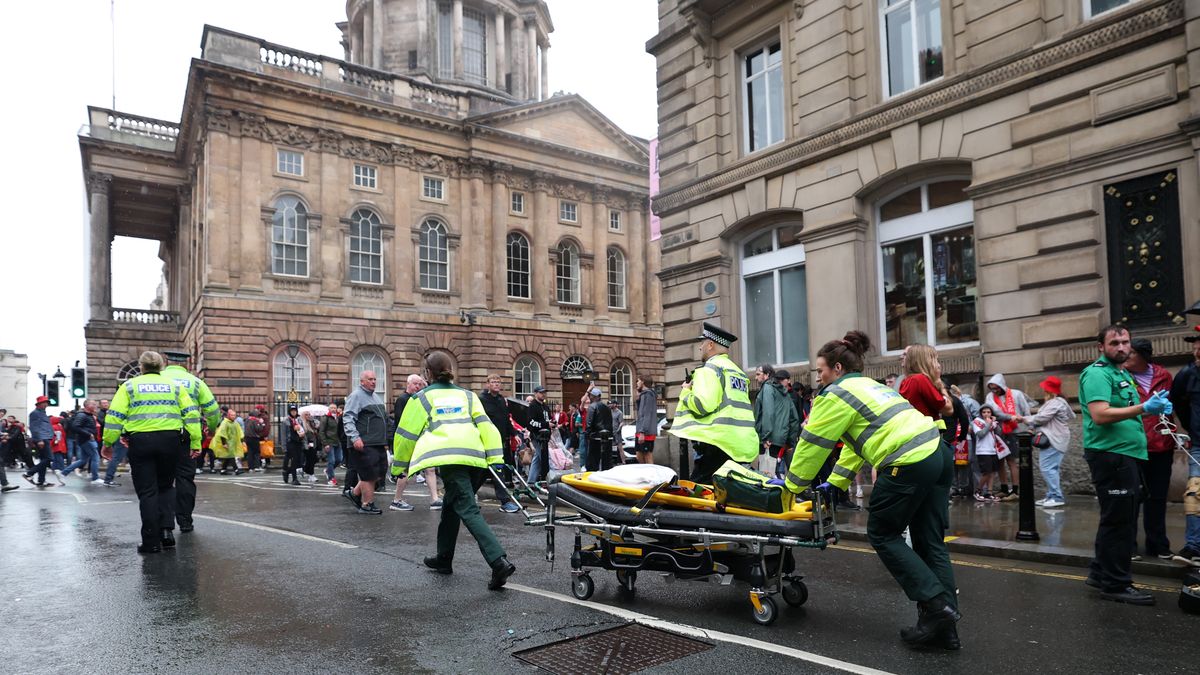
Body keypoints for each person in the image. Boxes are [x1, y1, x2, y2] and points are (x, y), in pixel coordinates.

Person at [783, 330, 959, 649]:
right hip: (936, 452)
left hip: (908, 460)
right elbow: (855, 445)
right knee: (930, 542)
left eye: (821, 370)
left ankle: (935, 605)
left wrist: (790, 488)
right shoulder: (870, 386)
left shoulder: (834, 394)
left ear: (837, 368)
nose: (818, 377)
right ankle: (945, 630)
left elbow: (813, 446)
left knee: (882, 533)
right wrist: (836, 482)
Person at [392, 351, 516, 590]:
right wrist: (495, 460)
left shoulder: (420, 399)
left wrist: (398, 467)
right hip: (477, 460)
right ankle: (444, 559)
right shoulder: (468, 396)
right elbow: (487, 427)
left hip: (452, 460)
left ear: (428, 373)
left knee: (467, 509)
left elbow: (406, 437)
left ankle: (498, 560)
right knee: (451, 507)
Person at [1079, 325, 1167, 605]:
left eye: (1125, 342)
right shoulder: (1097, 373)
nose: (1121, 347)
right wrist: (1144, 408)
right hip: (1111, 455)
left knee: (1118, 517)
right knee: (1119, 522)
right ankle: (1116, 584)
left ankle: (1100, 572)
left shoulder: (1120, 372)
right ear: (1101, 347)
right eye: (1114, 342)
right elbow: (1100, 415)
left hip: (1125, 454)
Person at [102, 350, 201, 554]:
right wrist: (196, 442)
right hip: (170, 441)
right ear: (161, 367)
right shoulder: (175, 386)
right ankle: (167, 533)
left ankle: (151, 542)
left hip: (141, 442)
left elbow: (115, 416)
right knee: (166, 487)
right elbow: (191, 414)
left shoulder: (128, 387)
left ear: (141, 367)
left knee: (148, 491)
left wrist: (108, 442)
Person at [669, 322, 757, 484]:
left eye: (702, 343)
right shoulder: (737, 373)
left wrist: (686, 392)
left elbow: (703, 405)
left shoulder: (710, 369)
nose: (700, 347)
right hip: (741, 444)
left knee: (697, 492)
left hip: (719, 444)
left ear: (710, 345)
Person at [1125, 338, 1176, 560]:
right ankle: (1129, 545)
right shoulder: (1121, 377)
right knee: (1131, 498)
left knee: (1157, 497)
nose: (1126, 356)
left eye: (1131, 353)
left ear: (1143, 356)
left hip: (1161, 445)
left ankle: (1158, 544)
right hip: (1133, 446)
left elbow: (1176, 406)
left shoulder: (1163, 376)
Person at [162, 350, 220, 533]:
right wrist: (210, 429)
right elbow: (212, 411)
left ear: (166, 362)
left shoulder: (156, 379)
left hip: (160, 434)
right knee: (185, 479)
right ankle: (185, 521)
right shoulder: (196, 382)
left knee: (163, 481)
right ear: (186, 364)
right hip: (186, 436)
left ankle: (165, 526)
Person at [1168, 325, 1200, 567]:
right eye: (1196, 347)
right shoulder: (1187, 374)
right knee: (1195, 494)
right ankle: (1194, 546)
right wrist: (1191, 428)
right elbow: (1178, 402)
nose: (1197, 351)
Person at [388, 374, 442, 511]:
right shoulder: (403, 399)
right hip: (408, 439)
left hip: (421, 438)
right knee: (405, 470)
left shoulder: (420, 398)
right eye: (415, 384)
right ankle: (397, 499)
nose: (418, 386)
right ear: (408, 384)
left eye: (419, 384)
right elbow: (403, 422)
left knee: (430, 467)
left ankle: (434, 499)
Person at [343, 370, 391, 513]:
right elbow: (348, 418)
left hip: (377, 442)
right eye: (370, 379)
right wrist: (355, 437)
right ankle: (366, 504)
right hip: (364, 442)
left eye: (375, 379)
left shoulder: (375, 397)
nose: (373, 381)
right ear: (362, 381)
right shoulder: (356, 396)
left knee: (379, 472)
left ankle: (353, 493)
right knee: (369, 474)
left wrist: (385, 440)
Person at [1024, 376, 1075, 509]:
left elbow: (1041, 418)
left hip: (1054, 439)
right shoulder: (1059, 402)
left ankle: (1056, 497)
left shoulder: (1055, 403)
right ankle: (1051, 495)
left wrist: (1022, 419)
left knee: (1048, 468)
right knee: (1052, 468)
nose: (1043, 391)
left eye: (1045, 389)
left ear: (1049, 390)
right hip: (1056, 438)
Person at [984, 373, 1034, 501]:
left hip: (1015, 431)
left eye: (996, 388)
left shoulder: (1017, 394)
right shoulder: (990, 397)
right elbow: (994, 412)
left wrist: (1030, 427)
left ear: (1002, 385)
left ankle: (1015, 491)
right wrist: (1009, 417)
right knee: (1000, 462)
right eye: (992, 388)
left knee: (1012, 461)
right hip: (999, 432)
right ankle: (1004, 488)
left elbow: (1026, 411)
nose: (994, 391)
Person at [479, 374, 519, 513]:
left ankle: (504, 501)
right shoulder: (482, 400)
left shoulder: (502, 400)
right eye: (493, 382)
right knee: (492, 470)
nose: (496, 384)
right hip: (486, 441)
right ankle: (505, 501)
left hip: (499, 442)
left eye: (498, 382)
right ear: (488, 384)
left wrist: (514, 434)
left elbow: (506, 420)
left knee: (491, 471)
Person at [753, 368, 799, 479]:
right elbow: (794, 419)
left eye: (758, 374)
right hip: (780, 438)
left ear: (767, 375)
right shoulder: (786, 394)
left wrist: (766, 436)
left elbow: (768, 412)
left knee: (765, 475)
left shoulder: (768, 388)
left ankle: (767, 495)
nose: (755, 377)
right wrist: (790, 441)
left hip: (768, 438)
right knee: (773, 472)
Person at [60, 401, 102, 484]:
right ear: (86, 405)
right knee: (95, 458)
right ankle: (95, 478)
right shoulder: (82, 415)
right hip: (87, 440)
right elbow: (75, 426)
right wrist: (89, 434)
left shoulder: (88, 415)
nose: (95, 405)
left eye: (95, 404)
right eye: (93, 404)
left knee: (83, 460)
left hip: (85, 440)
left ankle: (63, 473)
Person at [22, 395, 57, 487]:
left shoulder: (42, 413)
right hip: (42, 439)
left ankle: (41, 480)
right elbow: (34, 427)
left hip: (45, 438)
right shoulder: (35, 413)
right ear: (39, 404)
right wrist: (39, 440)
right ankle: (29, 473)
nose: (46, 404)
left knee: (44, 459)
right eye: (44, 402)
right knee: (49, 458)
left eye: (47, 403)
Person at [971, 405, 1003, 502]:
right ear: (981, 413)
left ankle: (989, 492)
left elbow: (999, 433)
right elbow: (980, 434)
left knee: (992, 472)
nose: (986, 414)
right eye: (984, 412)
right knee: (986, 472)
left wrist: (995, 424)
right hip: (983, 451)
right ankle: (978, 491)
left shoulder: (992, 422)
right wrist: (988, 424)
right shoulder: (977, 422)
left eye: (988, 412)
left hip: (993, 449)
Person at [525, 385, 553, 484]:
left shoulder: (545, 406)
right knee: (544, 458)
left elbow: (548, 418)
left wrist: (552, 423)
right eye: (541, 392)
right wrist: (546, 424)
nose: (543, 394)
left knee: (537, 458)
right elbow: (530, 423)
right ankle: (547, 479)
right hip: (537, 436)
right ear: (535, 393)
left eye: (544, 392)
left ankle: (531, 481)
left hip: (545, 436)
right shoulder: (533, 406)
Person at [585, 387, 615, 472]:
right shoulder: (607, 407)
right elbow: (610, 422)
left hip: (595, 437)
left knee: (593, 462)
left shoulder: (592, 406)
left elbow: (589, 423)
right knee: (606, 462)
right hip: (607, 437)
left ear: (596, 396)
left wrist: (587, 434)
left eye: (592, 396)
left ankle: (592, 479)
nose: (590, 397)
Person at [211, 407, 245, 475]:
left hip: (233, 443)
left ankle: (223, 470)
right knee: (231, 456)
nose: (233, 417)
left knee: (228, 457)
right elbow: (222, 433)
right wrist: (224, 443)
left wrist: (242, 441)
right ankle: (236, 470)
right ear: (228, 415)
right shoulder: (225, 423)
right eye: (232, 415)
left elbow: (239, 432)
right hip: (227, 442)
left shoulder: (235, 423)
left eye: (234, 415)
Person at [634, 376, 658, 464]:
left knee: (647, 455)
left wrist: (642, 432)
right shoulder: (644, 395)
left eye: (638, 381)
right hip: (641, 430)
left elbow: (647, 414)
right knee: (639, 455)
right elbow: (641, 412)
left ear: (643, 382)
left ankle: (652, 476)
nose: (637, 383)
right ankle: (646, 475)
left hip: (646, 432)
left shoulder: (648, 395)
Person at [320, 403, 344, 486]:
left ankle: (327, 470)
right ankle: (331, 479)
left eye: (335, 408)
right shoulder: (325, 418)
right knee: (332, 460)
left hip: (338, 442)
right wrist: (325, 443)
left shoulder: (338, 418)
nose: (334, 409)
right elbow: (321, 431)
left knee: (339, 459)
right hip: (329, 442)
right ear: (329, 409)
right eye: (332, 408)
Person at [282, 405, 306, 485]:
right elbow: (284, 434)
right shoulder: (286, 420)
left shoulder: (299, 419)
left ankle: (287, 472)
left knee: (299, 461)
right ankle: (294, 479)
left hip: (298, 442)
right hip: (290, 442)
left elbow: (303, 430)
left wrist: (302, 436)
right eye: (292, 411)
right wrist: (284, 446)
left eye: (295, 410)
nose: (293, 412)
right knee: (294, 460)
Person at [244, 405, 268, 472]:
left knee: (250, 453)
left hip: (247, 438)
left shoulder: (247, 420)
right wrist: (262, 424)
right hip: (254, 438)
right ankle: (257, 466)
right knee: (257, 453)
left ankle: (250, 467)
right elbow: (258, 429)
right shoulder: (254, 421)